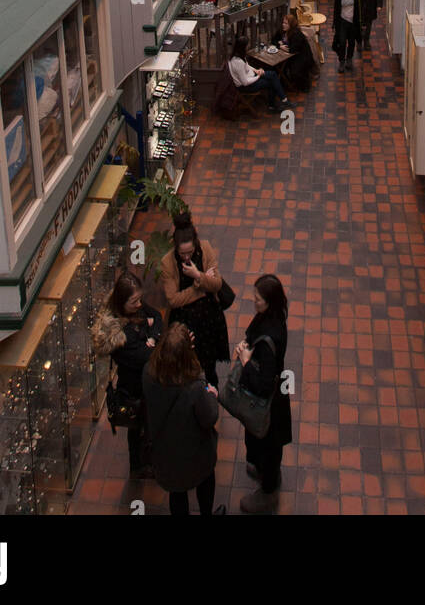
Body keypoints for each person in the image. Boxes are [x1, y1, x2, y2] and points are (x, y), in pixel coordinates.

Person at [141, 324, 224, 516]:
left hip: (166, 450)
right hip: (195, 452)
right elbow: (209, 417)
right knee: (205, 484)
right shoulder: (193, 385)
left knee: (177, 493)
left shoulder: (148, 372)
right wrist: (211, 393)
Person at [91, 270, 163, 477]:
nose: (140, 304)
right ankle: (139, 467)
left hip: (145, 382)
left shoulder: (134, 312)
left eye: (140, 299)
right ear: (122, 302)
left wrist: (151, 335)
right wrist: (148, 337)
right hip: (133, 387)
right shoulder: (117, 335)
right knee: (138, 426)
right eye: (134, 301)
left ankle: (146, 461)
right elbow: (144, 355)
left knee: (147, 424)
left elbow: (156, 317)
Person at [236, 274, 292, 514]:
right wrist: (245, 344)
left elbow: (263, 384)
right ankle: (265, 471)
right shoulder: (273, 317)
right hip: (272, 400)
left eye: (257, 298)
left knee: (266, 445)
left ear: (268, 301)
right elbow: (252, 332)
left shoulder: (271, 336)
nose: (254, 301)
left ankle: (268, 492)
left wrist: (246, 362)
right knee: (264, 445)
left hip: (267, 405)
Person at [160, 212, 229, 388]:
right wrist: (200, 285)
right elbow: (173, 300)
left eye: (189, 252)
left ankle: (212, 387)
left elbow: (217, 284)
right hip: (185, 322)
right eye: (182, 253)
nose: (186, 257)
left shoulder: (205, 249)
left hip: (209, 318)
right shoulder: (168, 263)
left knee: (210, 361)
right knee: (189, 362)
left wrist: (197, 275)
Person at [228, 35, 289, 113]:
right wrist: (259, 76)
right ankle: (273, 106)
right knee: (271, 82)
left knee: (273, 74)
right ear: (242, 47)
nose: (248, 47)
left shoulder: (237, 56)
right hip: (247, 86)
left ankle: (283, 100)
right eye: (247, 46)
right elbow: (245, 82)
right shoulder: (238, 62)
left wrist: (256, 70)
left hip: (251, 76)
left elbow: (246, 65)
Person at [272, 11, 315, 91]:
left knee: (295, 70)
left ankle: (303, 85)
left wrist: (282, 46)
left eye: (286, 23)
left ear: (291, 25)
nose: (283, 25)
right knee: (279, 66)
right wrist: (280, 46)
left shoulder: (296, 34)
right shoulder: (282, 31)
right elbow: (273, 40)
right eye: (283, 23)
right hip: (290, 55)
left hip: (302, 56)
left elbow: (292, 50)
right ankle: (284, 83)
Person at [332, 0, 362, 73]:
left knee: (352, 42)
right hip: (342, 22)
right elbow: (336, 10)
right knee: (342, 42)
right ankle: (341, 61)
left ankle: (349, 59)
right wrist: (335, 24)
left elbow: (358, 8)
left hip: (353, 22)